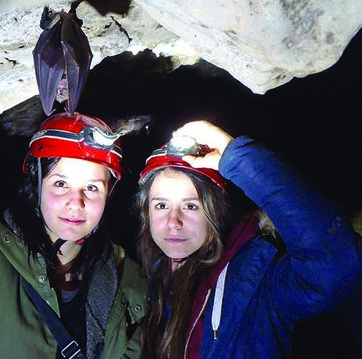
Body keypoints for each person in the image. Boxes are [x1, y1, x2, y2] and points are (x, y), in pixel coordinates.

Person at [0, 112, 147, 359]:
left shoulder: (128, 278)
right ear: (37, 186)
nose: (76, 203)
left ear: (108, 194)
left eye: (91, 188)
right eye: (61, 184)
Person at [135, 120, 362, 359]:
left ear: (214, 212)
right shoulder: (152, 281)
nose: (173, 221)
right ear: (146, 213)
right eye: (161, 205)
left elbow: (336, 263)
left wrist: (240, 158)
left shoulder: (256, 280)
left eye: (191, 206)